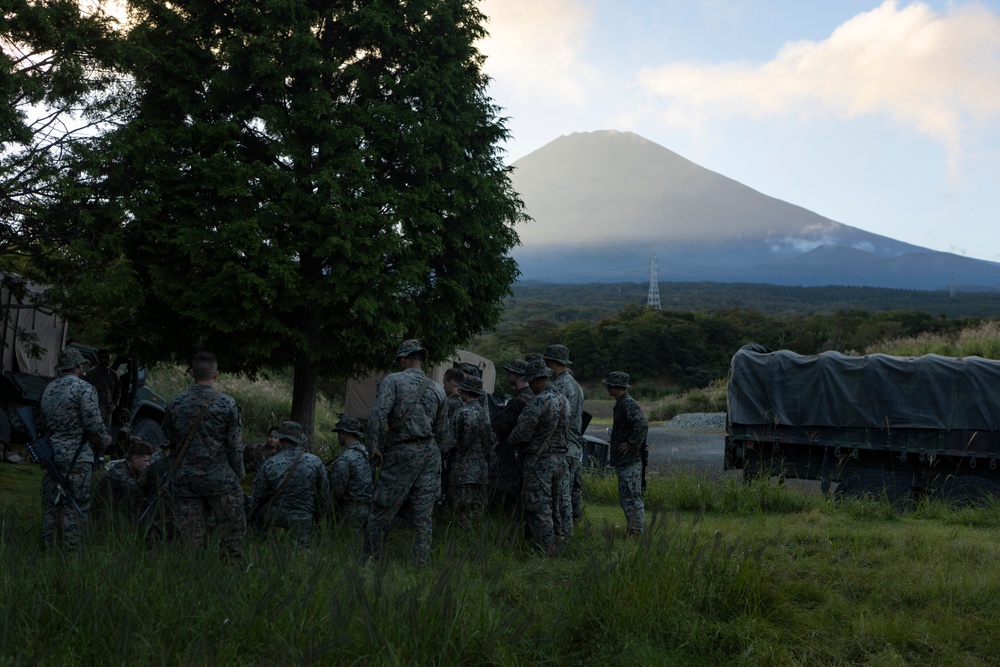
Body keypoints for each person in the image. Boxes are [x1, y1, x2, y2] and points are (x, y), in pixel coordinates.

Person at [365, 339, 447, 564]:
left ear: (403, 358)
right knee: (423, 515)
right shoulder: (438, 389)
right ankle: (420, 564)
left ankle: (371, 560)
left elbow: (377, 416)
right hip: (430, 454)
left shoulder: (393, 380)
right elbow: (442, 432)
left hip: (402, 451)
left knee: (382, 509)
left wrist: (373, 447)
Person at [161, 351, 246, 562]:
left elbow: (170, 436)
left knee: (189, 537)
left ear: (191, 373)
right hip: (220, 479)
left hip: (185, 480)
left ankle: (189, 578)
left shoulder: (175, 403)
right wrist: (240, 473)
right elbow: (235, 446)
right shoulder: (227, 404)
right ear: (216, 374)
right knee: (232, 531)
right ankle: (230, 571)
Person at [38, 347, 112, 552]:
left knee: (52, 504)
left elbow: (43, 424)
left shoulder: (49, 389)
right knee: (76, 505)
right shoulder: (84, 389)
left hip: (52, 455)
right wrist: (104, 441)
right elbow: (94, 426)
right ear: (78, 366)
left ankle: (47, 549)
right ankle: (72, 554)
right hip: (78, 458)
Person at [508, 359, 570, 555]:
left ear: (535, 381)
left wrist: (511, 439)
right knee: (556, 502)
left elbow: (522, 433)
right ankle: (560, 540)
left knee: (538, 504)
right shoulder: (563, 400)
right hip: (560, 459)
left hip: (540, 460)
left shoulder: (539, 401)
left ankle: (545, 548)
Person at [248, 421, 329, 545]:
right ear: (300, 439)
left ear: (280, 438)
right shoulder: (316, 462)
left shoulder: (269, 464)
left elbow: (257, 497)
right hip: (303, 520)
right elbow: (324, 496)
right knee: (302, 557)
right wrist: (320, 521)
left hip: (275, 521)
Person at [543, 344, 585, 534]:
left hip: (563, 446)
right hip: (574, 447)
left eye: (547, 362)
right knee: (566, 494)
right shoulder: (575, 384)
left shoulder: (560, 385)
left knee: (560, 497)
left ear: (553, 363)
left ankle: (563, 536)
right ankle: (567, 534)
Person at [604, 371, 649, 536]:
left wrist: (631, 444)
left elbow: (643, 423)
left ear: (616, 386)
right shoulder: (622, 403)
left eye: (609, 384)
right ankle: (633, 530)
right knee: (628, 497)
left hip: (630, 460)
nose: (606, 387)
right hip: (625, 459)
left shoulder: (627, 403)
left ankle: (636, 532)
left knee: (632, 496)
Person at [446, 376, 492, 524]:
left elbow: (448, 443)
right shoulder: (486, 415)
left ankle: (460, 540)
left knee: (461, 510)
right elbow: (489, 443)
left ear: (465, 391)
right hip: (481, 471)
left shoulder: (460, 413)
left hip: (462, 470)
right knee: (477, 509)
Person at [491, 359, 533, 512]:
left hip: (511, 455)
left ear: (516, 375)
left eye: (509, 373)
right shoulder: (531, 396)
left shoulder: (518, 401)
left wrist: (499, 412)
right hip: (523, 454)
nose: (507, 375)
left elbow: (500, 427)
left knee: (508, 495)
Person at [92, 438, 153, 526]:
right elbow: (136, 488)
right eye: (145, 461)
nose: (148, 464)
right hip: (102, 517)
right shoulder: (118, 472)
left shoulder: (134, 471)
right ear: (135, 459)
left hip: (114, 514)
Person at [328, 415, 373, 530]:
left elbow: (337, 492)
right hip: (369, 510)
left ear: (343, 433)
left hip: (349, 512)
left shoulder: (345, 458)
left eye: (339, 433)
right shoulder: (368, 453)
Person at [83, 348, 122, 429]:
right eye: (103, 357)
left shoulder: (114, 375)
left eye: (108, 357)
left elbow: (118, 392)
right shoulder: (91, 373)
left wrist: (114, 405)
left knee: (105, 436)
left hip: (107, 412)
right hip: (93, 411)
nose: (106, 360)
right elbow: (84, 391)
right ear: (99, 358)